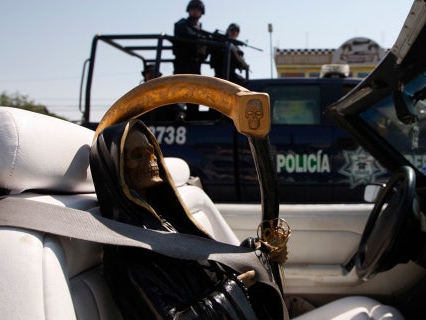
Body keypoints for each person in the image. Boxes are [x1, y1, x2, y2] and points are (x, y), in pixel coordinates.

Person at [89, 119, 287, 319]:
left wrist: (257, 253)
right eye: (137, 156)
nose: (152, 160)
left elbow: (205, 276)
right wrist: (236, 289)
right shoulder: (127, 256)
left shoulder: (168, 220)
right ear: (116, 168)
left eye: (152, 152)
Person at [173, 0, 209, 75]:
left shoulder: (200, 29)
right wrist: (204, 39)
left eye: (198, 9)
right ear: (189, 10)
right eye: (193, 9)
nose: (195, 11)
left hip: (196, 65)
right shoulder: (181, 24)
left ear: (201, 12)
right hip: (183, 64)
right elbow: (188, 34)